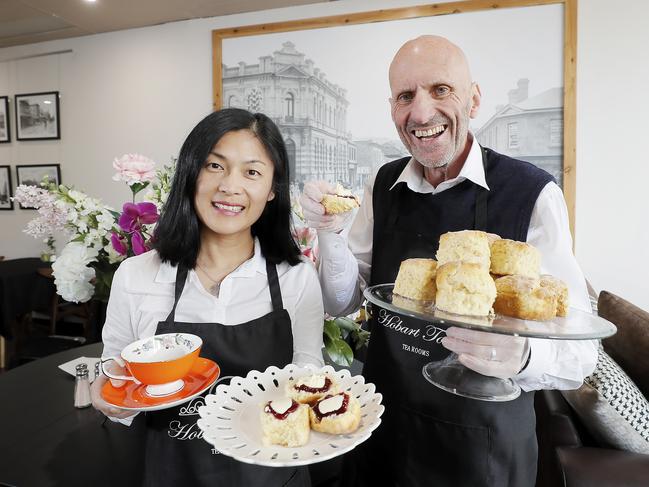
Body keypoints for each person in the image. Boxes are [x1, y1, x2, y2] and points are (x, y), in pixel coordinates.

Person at [300, 35, 597, 487]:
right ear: (392, 107)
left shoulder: (532, 193)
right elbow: (343, 302)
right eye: (405, 96)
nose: (421, 113)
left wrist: (521, 356)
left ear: (473, 99)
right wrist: (329, 233)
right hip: (383, 426)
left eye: (441, 90)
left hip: (482, 450)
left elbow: (580, 354)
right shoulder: (381, 184)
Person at [91, 108, 324, 486]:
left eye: (252, 172)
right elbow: (118, 385)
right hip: (172, 473)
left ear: (272, 189)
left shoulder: (296, 277)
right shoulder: (136, 276)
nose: (230, 186)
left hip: (274, 475)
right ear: (190, 174)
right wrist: (108, 397)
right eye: (215, 166)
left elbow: (306, 381)